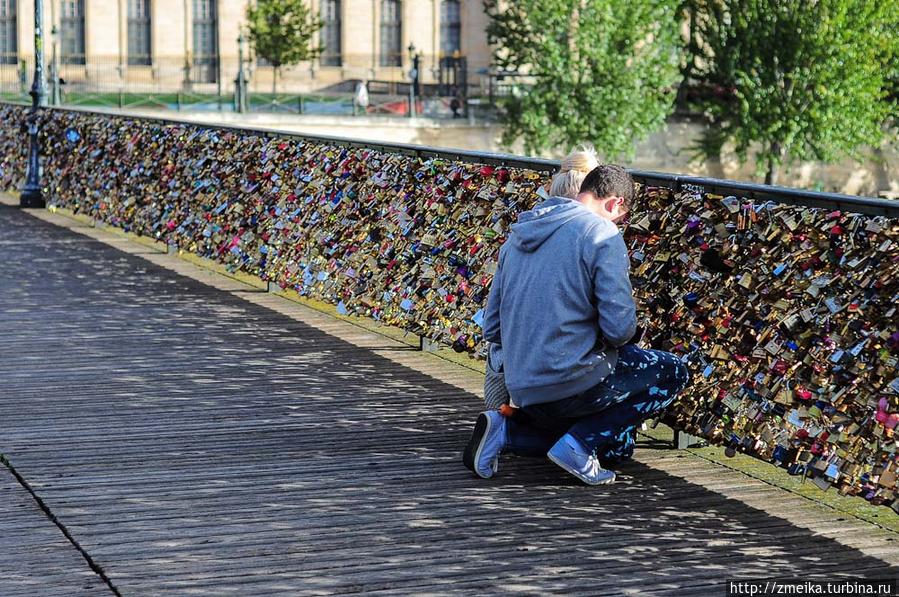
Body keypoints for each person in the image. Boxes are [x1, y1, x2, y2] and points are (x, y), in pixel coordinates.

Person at [463, 165, 691, 485]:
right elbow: (619, 329)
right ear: (614, 203)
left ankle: (506, 431)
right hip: (569, 383)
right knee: (673, 371)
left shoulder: (520, 233)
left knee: (615, 450)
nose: (618, 225)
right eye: (621, 218)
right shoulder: (601, 233)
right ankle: (579, 445)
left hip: (523, 386)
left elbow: (492, 327)